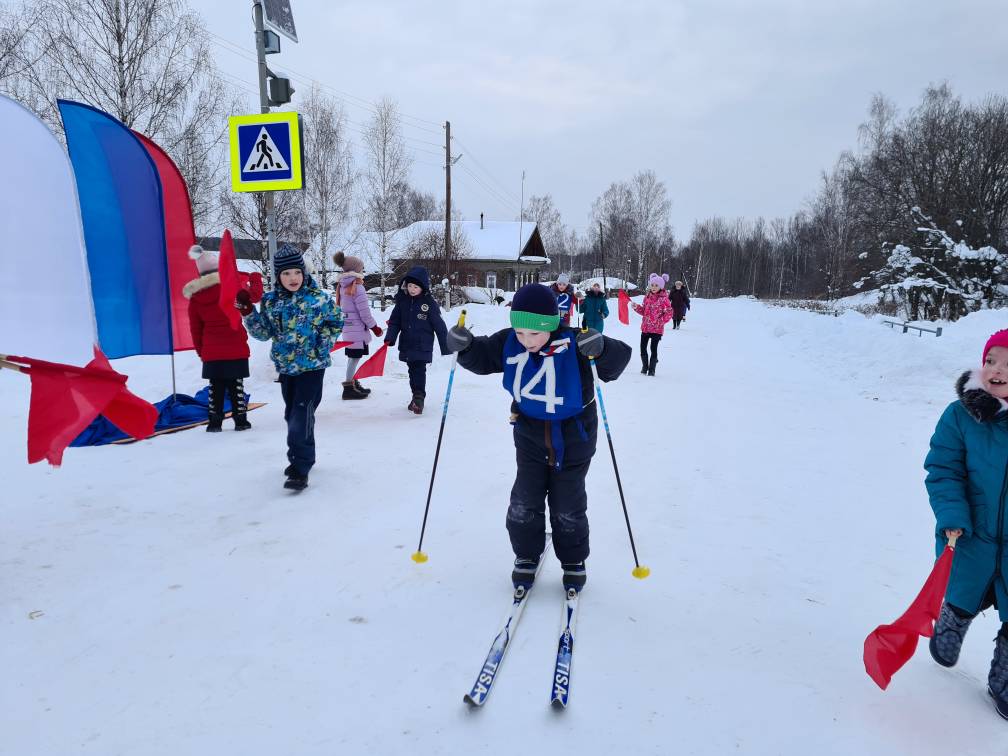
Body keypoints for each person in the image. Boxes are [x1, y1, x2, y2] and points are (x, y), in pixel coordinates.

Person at [444, 283, 631, 590]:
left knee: (567, 505)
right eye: (520, 332)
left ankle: (573, 559)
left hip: (574, 437)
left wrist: (602, 348)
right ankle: (526, 555)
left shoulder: (575, 343)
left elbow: (618, 362)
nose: (526, 340)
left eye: (534, 333)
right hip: (529, 436)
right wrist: (464, 347)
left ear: (552, 324)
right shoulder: (510, 343)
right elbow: (483, 357)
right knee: (524, 501)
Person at [926, 329, 1008, 720]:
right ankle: (952, 620)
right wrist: (952, 515)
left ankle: (1004, 677)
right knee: (963, 589)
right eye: (991, 360)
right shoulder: (961, 414)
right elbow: (944, 469)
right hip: (970, 532)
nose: (997, 370)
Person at [238, 244, 343, 490]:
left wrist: (323, 344)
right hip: (286, 368)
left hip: (313, 367)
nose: (292, 278)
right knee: (292, 415)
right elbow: (264, 333)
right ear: (278, 276)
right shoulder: (272, 302)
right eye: (286, 274)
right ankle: (304, 454)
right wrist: (248, 313)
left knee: (301, 412)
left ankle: (299, 468)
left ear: (303, 273)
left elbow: (336, 321)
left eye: (296, 272)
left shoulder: (318, 299)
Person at [184, 245, 252, 432]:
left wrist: (202, 351)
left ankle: (215, 422)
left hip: (212, 352)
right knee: (236, 386)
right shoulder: (232, 289)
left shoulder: (196, 298)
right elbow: (247, 304)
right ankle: (241, 420)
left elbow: (195, 329)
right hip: (236, 348)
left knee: (216, 387)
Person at [384, 265, 450, 414]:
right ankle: (416, 396)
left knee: (419, 370)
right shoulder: (402, 303)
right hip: (407, 345)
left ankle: (419, 397)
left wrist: (446, 346)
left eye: (415, 287)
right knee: (412, 371)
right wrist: (390, 337)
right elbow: (395, 322)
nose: (412, 289)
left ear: (423, 287)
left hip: (422, 345)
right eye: (410, 286)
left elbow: (439, 326)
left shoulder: (429, 304)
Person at [333, 251, 383, 400]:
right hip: (356, 328)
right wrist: (375, 328)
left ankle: (353, 382)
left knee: (353, 357)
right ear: (356, 270)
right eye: (361, 269)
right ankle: (348, 388)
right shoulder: (357, 287)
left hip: (350, 328)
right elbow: (364, 312)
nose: (362, 271)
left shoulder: (343, 285)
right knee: (354, 358)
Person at [632, 273, 674, 376]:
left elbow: (669, 312)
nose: (654, 287)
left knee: (653, 349)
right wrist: (636, 307)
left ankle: (652, 369)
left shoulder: (664, 299)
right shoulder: (647, 297)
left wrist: (661, 321)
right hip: (645, 328)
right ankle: (644, 367)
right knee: (642, 348)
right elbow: (644, 311)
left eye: (656, 285)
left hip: (657, 329)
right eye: (652, 285)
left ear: (661, 286)